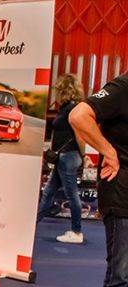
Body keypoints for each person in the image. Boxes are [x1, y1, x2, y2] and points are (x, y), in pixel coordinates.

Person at [70, 71, 128, 287]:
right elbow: (79, 115)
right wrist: (108, 152)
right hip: (122, 194)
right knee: (121, 273)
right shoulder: (123, 86)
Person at [37, 74, 86, 243]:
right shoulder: (66, 108)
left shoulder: (72, 109)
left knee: (71, 194)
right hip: (64, 157)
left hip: (68, 156)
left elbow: (80, 136)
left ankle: (77, 232)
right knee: (48, 192)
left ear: (64, 90)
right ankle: (32, 225)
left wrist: (84, 156)